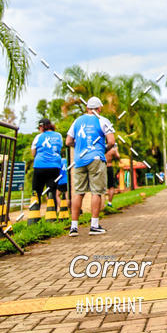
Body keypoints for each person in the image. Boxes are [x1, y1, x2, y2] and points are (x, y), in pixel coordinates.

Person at [66, 96, 115, 236]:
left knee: (78, 192)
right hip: (96, 158)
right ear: (99, 108)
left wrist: (80, 146)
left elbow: (68, 141)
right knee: (96, 191)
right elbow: (111, 141)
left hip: (79, 160)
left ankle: (73, 227)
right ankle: (94, 225)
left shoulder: (77, 121)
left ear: (87, 108)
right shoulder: (102, 120)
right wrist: (102, 149)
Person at [31, 118, 63, 212]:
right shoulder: (59, 136)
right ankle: (52, 215)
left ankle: (35, 214)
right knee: (52, 191)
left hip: (40, 166)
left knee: (37, 191)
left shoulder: (38, 137)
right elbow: (59, 149)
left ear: (42, 127)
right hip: (54, 166)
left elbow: (33, 153)